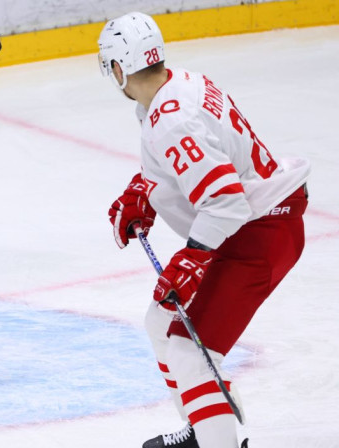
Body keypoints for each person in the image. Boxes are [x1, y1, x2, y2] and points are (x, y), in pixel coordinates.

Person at [98, 12, 310, 448]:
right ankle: (208, 429)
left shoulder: (170, 120)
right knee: (162, 323)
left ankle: (219, 442)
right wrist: (144, 189)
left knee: (188, 351)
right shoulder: (180, 85)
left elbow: (225, 200)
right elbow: (200, 162)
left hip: (256, 236)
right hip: (257, 226)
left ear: (119, 68)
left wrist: (192, 258)